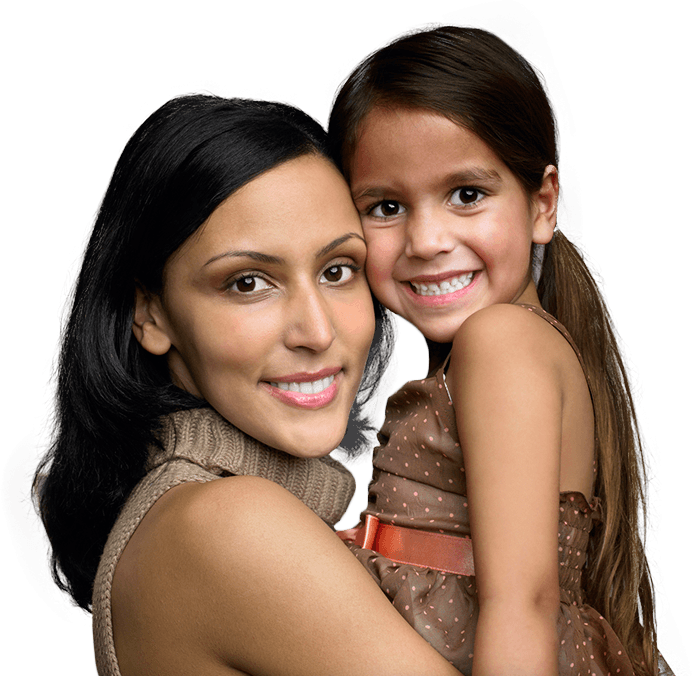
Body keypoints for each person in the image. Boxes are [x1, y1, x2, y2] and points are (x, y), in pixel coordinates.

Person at [32, 93, 463, 676]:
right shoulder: (225, 525)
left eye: (338, 271)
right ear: (150, 314)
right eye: (247, 283)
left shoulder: (183, 516)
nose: (316, 330)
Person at [328, 25, 673, 676]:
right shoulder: (500, 348)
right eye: (385, 206)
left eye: (466, 194)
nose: (426, 239)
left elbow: (523, 602)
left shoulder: (500, 340)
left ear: (543, 204)